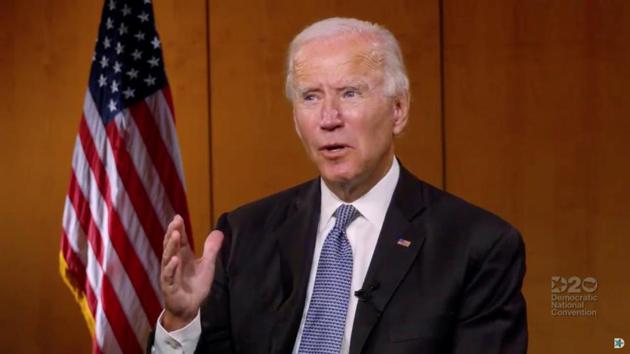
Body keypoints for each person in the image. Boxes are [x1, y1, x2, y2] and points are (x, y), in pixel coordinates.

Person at [151, 17, 527, 354]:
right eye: (311, 97)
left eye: (350, 93)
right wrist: (180, 321)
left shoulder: (476, 246)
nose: (329, 118)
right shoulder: (244, 235)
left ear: (399, 109)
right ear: (297, 121)